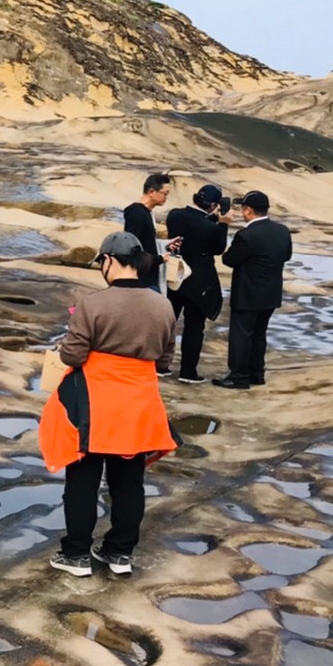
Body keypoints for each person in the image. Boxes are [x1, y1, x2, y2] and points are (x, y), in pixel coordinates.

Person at [39, 231, 177, 577]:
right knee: (128, 483)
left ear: (110, 261)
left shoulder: (93, 303)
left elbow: (73, 353)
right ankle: (119, 553)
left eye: (102, 261)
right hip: (140, 403)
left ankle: (76, 555)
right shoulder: (162, 304)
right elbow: (164, 361)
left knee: (83, 479)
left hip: (94, 403)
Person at [214, 191, 294, 390]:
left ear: (248, 210)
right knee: (259, 335)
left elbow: (228, 260)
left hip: (248, 294)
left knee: (242, 336)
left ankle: (239, 376)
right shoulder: (282, 230)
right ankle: (257, 374)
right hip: (270, 293)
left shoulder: (246, 235)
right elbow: (287, 255)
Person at [165, 184, 231, 383]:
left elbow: (195, 223)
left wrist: (213, 219)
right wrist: (224, 223)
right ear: (213, 205)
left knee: (167, 323)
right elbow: (218, 248)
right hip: (199, 280)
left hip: (175, 274)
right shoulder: (211, 228)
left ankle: (159, 365)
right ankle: (188, 372)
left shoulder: (174, 215)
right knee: (194, 327)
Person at [122, 172, 175, 295]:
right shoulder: (137, 214)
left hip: (147, 277)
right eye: (165, 194)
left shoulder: (146, 213)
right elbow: (132, 249)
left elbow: (144, 241)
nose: (166, 198)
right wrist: (159, 259)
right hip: (142, 280)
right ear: (151, 192)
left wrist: (165, 244)